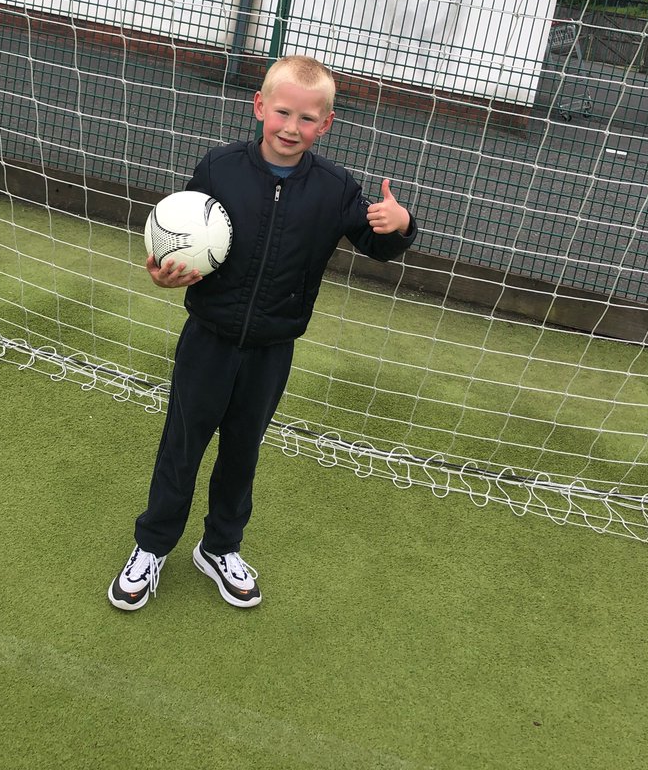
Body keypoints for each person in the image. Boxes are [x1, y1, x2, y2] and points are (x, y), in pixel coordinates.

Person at [108, 55, 417, 611]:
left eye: (306, 119)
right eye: (281, 113)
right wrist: (161, 270)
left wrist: (401, 227)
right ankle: (151, 547)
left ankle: (220, 547)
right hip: (207, 340)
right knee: (181, 446)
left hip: (272, 350)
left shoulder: (335, 188)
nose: (291, 128)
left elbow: (378, 244)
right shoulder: (219, 169)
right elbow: (178, 232)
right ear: (259, 108)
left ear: (325, 125)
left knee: (241, 453)